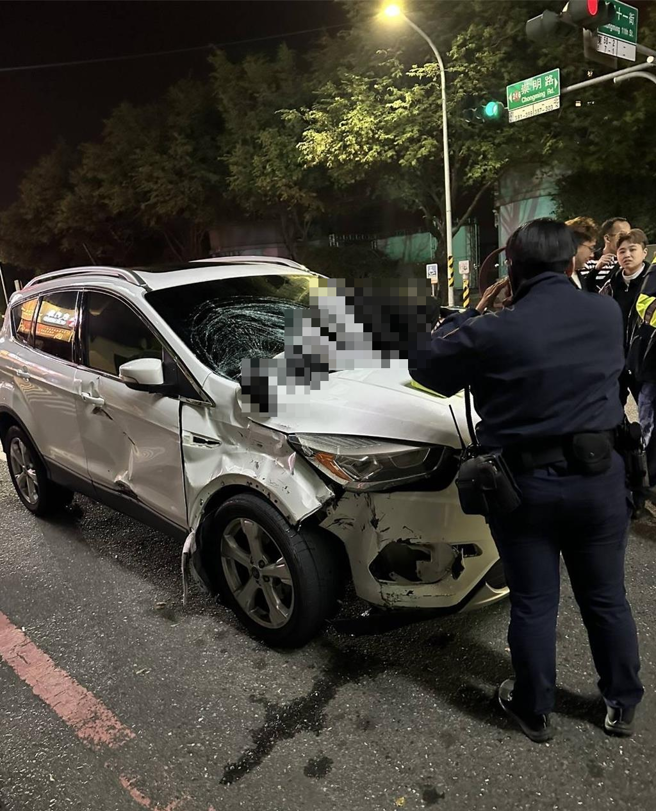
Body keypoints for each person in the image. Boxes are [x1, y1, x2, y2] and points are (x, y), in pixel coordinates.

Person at [408, 218, 643, 743]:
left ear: (513, 270)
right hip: (601, 479)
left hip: (523, 488)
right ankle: (622, 704)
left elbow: (423, 365)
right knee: (606, 598)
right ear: (571, 263)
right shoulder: (605, 312)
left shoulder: (493, 330)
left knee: (535, 602)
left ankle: (533, 709)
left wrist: (470, 313)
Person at [601, 229, 650, 405]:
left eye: (632, 249)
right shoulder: (611, 284)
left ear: (644, 252)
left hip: (645, 359)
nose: (627, 255)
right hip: (616, 360)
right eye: (622, 251)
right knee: (613, 407)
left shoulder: (651, 283)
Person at [580, 216, 631, 292]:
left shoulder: (631, 262)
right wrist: (596, 270)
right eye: (622, 235)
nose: (626, 240)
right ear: (607, 238)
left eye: (629, 236)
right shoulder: (588, 260)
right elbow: (583, 289)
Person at [565, 217, 597, 289]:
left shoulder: (580, 277)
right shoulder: (557, 279)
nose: (592, 255)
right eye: (591, 248)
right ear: (576, 245)